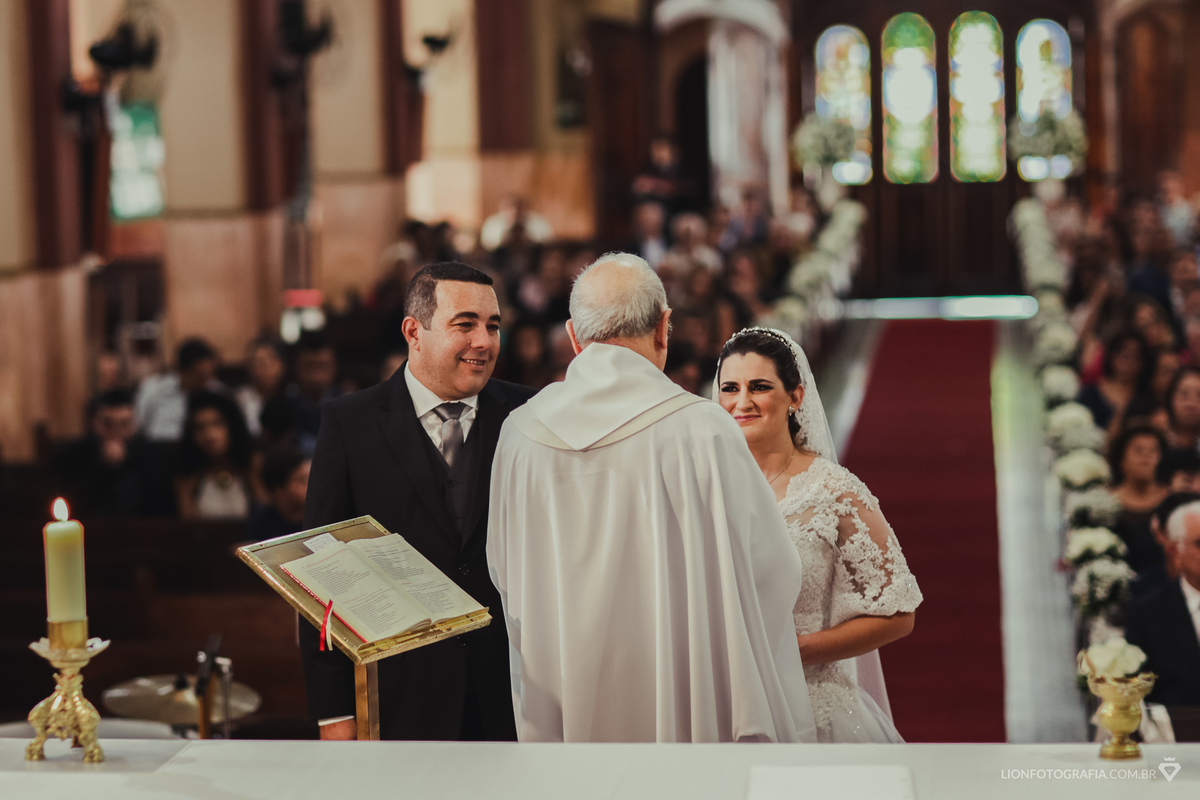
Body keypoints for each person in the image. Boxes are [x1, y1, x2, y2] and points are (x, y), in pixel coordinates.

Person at [488, 253, 816, 743]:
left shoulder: (519, 434)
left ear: (574, 337)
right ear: (665, 329)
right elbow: (772, 574)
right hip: (685, 705)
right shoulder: (703, 430)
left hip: (563, 693)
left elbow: (506, 575)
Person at [301, 262, 536, 742]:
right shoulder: (351, 425)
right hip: (399, 696)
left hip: (514, 696)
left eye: (493, 326)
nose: (485, 342)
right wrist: (333, 713)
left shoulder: (529, 414)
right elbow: (320, 577)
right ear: (414, 331)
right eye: (465, 324)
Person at [715, 327, 922, 743]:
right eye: (729, 388)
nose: (742, 402)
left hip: (814, 709)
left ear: (795, 397)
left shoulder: (834, 490)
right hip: (726, 703)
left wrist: (801, 649)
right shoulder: (710, 485)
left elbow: (899, 613)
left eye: (759, 387)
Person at [51, 389, 174, 517]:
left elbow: (163, 507)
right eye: (107, 424)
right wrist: (104, 468)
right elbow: (69, 503)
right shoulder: (72, 456)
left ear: (135, 425)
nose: (116, 432)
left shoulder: (153, 456)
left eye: (124, 424)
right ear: (93, 423)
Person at [1125, 501, 1200, 707]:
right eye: (1199, 543)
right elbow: (1139, 694)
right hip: (1174, 733)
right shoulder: (1146, 614)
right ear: (1175, 552)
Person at [175, 390, 257, 520]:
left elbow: (265, 516)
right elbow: (187, 528)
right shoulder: (188, 477)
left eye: (217, 424)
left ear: (232, 427)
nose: (209, 435)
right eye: (200, 428)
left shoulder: (250, 466)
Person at [1108, 425, 1169, 576]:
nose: (1146, 457)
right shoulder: (1105, 504)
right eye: (1138, 450)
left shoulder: (1171, 500)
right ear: (1121, 460)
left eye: (1153, 451)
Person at [135, 338, 223, 441]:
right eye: (200, 376)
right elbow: (139, 426)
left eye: (209, 375)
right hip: (157, 447)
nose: (205, 381)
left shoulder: (218, 393)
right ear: (181, 371)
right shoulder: (153, 389)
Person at [245, 448, 310, 542]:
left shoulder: (320, 519)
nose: (310, 486)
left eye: (311, 479)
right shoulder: (261, 522)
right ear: (278, 488)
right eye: (302, 480)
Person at [236, 337, 287, 438]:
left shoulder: (292, 396)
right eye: (255, 364)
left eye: (267, 363)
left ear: (282, 365)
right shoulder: (239, 399)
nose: (262, 370)